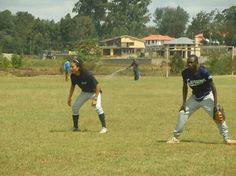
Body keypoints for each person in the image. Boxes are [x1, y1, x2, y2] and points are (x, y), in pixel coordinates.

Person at [167, 55, 236, 145]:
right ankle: (175, 138)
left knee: (218, 115)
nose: (189, 64)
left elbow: (213, 87)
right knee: (182, 112)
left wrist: (215, 105)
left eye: (191, 62)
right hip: (195, 97)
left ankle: (226, 139)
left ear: (197, 63)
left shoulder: (203, 72)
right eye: (188, 62)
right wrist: (184, 103)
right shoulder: (185, 73)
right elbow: (185, 87)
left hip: (207, 96)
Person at [67, 58, 108, 133]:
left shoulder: (87, 74)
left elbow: (98, 86)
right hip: (85, 93)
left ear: (78, 67)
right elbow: (73, 86)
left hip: (94, 92)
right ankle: (76, 127)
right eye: (70, 66)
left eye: (72, 67)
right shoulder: (73, 76)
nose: (71, 68)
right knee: (75, 107)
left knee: (97, 107)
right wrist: (69, 98)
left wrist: (95, 98)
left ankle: (104, 128)